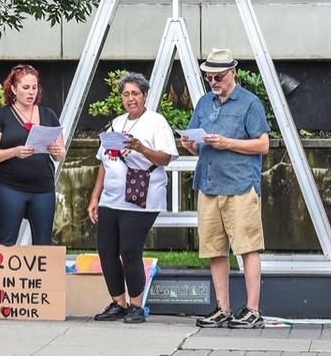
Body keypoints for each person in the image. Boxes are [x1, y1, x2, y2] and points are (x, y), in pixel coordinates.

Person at [180, 48, 270, 329]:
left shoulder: (250, 103)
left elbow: (263, 145)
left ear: (233, 72)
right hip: (208, 183)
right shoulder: (205, 103)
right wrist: (191, 145)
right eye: (209, 77)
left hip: (240, 185)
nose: (213, 82)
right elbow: (197, 141)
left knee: (248, 247)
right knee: (215, 249)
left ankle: (253, 310)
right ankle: (223, 308)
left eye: (218, 76)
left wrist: (228, 142)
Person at [87, 72, 178, 324]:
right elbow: (103, 162)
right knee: (106, 249)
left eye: (135, 93)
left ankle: (137, 306)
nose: (130, 98)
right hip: (111, 196)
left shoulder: (156, 122)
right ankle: (119, 303)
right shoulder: (116, 123)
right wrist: (95, 197)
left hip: (142, 195)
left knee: (129, 249)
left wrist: (141, 148)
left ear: (145, 95)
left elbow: (166, 158)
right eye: (126, 94)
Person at [0, 64, 65, 245]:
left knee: (44, 243)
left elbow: (61, 153)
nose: (31, 93)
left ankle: (41, 274)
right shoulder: (1, 115)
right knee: (7, 241)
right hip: (10, 187)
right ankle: (4, 274)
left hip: (43, 188)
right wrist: (14, 152)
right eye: (25, 88)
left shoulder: (48, 114)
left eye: (34, 87)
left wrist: (57, 151)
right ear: (13, 89)